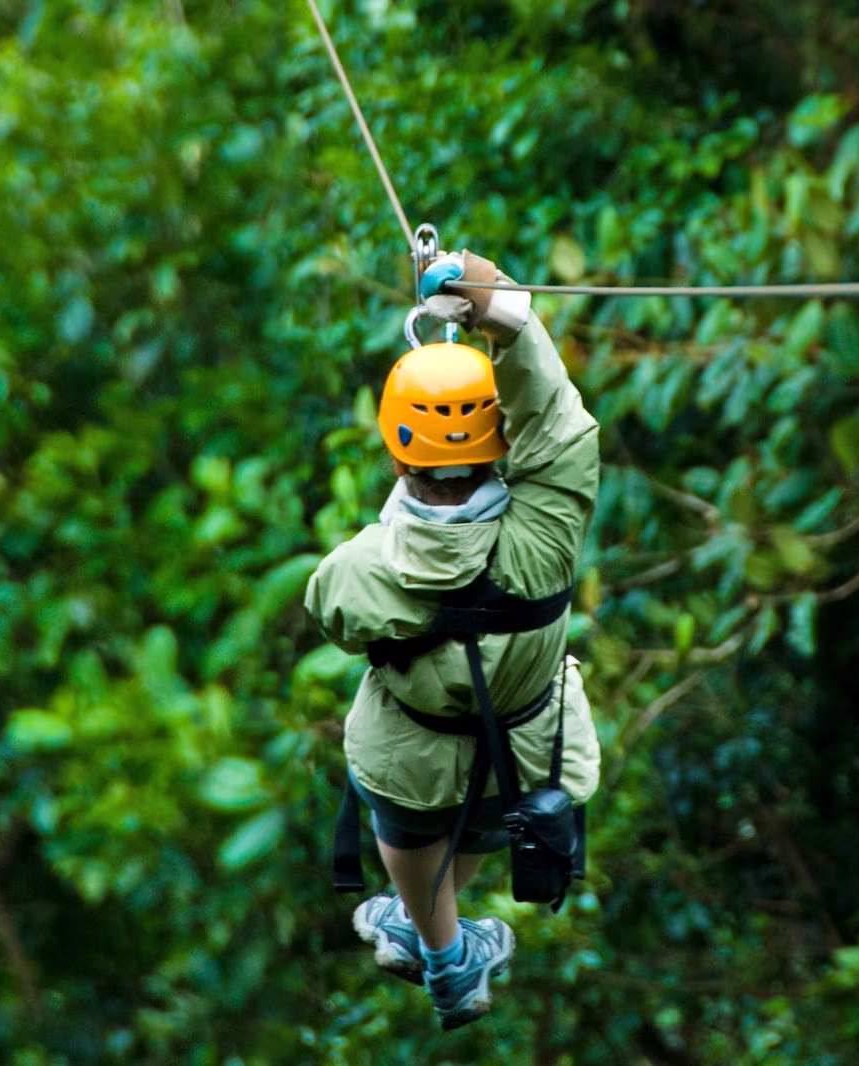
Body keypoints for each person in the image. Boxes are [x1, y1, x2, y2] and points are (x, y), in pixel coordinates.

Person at [304, 249, 601, 1029]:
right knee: (463, 813)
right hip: (523, 758)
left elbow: (333, 618)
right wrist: (503, 308)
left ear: (398, 449)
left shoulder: (360, 569)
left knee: (411, 803)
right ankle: (438, 938)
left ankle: (444, 960)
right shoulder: (547, 533)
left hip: (414, 769)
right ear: (499, 438)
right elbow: (560, 425)